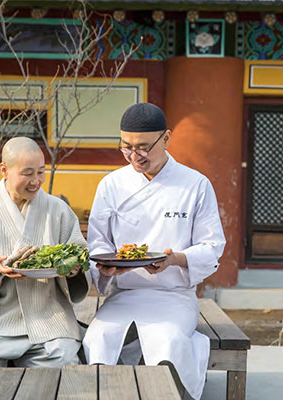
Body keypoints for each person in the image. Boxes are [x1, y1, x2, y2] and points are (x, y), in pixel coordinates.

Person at [82, 103, 226, 399]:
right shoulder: (111, 185)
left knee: (169, 340)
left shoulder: (195, 184)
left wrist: (176, 258)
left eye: (144, 148)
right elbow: (98, 243)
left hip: (174, 296)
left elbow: (212, 246)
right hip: (125, 294)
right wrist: (106, 268)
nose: (135, 156)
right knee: (98, 337)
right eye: (126, 148)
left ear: (167, 139)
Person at [0, 136, 91, 368]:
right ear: (4, 170)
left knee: (64, 362)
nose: (36, 181)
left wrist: (74, 269)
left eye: (40, 172)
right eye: (27, 173)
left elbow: (80, 252)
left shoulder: (58, 210)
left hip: (48, 315)